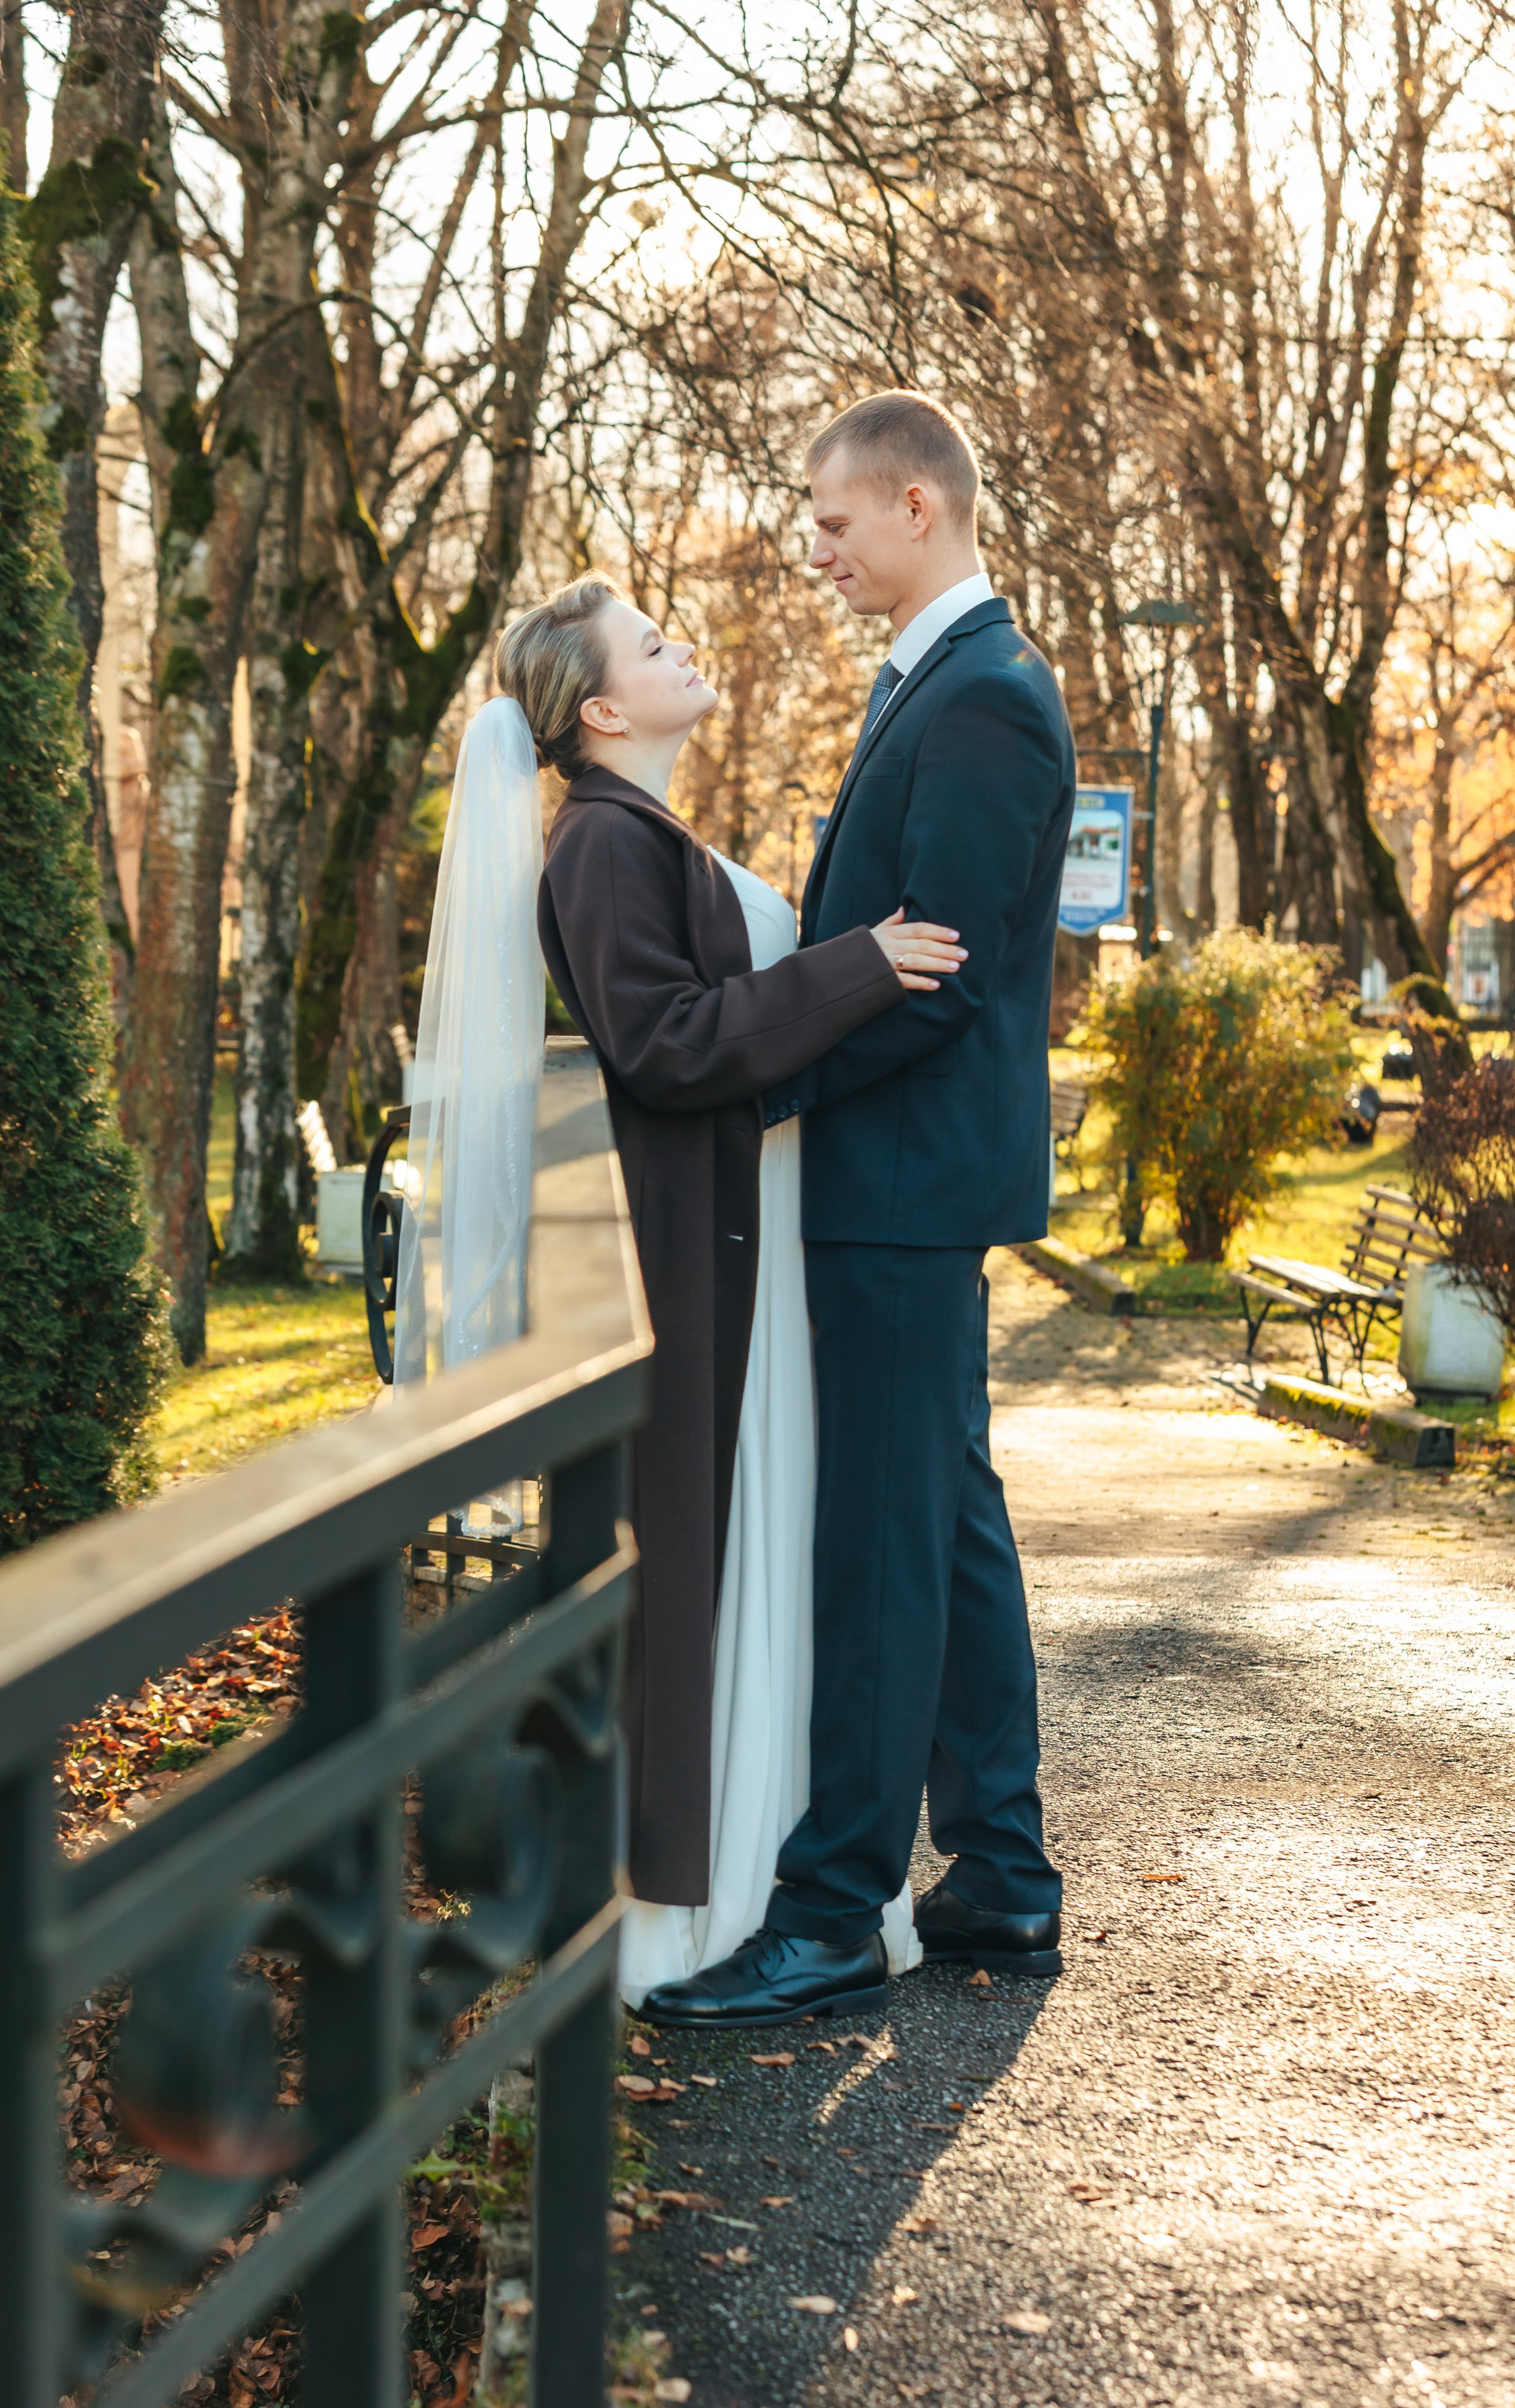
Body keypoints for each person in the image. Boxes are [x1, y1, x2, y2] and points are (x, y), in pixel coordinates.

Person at [638, 391, 1075, 2031]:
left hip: (899, 1187)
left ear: (914, 504)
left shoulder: (983, 706)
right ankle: (1007, 1872)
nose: (813, 553)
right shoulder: (943, 685)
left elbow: (933, 987)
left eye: (829, 524)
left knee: (883, 1547)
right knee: (946, 1518)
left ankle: (831, 1915)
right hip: (898, 1181)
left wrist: (748, 1089)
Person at [494, 574, 967, 2004]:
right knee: (707, 1561)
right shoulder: (598, 846)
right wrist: (858, 966)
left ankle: (766, 1874)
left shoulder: (640, 832)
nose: (679, 645)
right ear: (597, 711)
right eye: (651, 644)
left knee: (757, 1551)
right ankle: (683, 1910)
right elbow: (667, 1045)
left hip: (740, 1242)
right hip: (694, 1255)